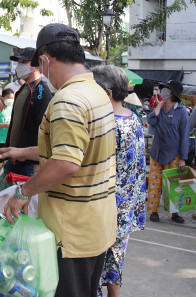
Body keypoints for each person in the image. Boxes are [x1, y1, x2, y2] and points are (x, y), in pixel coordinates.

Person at [0, 24, 117, 297]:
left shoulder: (67, 101)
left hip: (71, 230)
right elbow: (74, 149)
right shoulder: (96, 92)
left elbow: (66, 163)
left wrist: (23, 192)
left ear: (46, 60)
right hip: (97, 222)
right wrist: (24, 152)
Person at [93, 65, 147, 297]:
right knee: (115, 259)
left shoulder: (107, 123)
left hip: (104, 206)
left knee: (94, 262)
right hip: (127, 207)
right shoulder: (133, 119)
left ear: (106, 93)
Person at [1, 47, 53, 178]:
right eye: (19, 62)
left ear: (36, 65)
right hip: (14, 159)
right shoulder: (22, 90)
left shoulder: (42, 91)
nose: (20, 66)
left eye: (24, 63)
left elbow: (44, 128)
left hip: (29, 163)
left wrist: (37, 160)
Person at [147, 80, 189, 224]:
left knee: (173, 185)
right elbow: (151, 121)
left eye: (166, 89)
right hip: (156, 153)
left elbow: (184, 136)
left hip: (173, 154)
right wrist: (157, 108)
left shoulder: (182, 112)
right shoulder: (160, 108)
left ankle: (174, 213)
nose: (163, 90)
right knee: (154, 182)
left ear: (171, 93)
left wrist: (183, 157)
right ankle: (153, 211)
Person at [0, 88, 14, 180]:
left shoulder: (13, 108)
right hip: (0, 138)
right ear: (2, 98)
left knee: (9, 157)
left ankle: (4, 174)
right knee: (2, 157)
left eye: (12, 98)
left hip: (9, 137)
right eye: (8, 97)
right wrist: (5, 125)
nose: (10, 100)